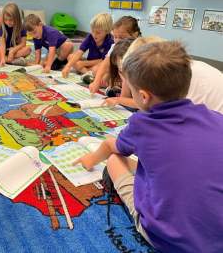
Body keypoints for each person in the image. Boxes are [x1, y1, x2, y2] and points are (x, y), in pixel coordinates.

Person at [74, 41, 223, 252]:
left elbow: (109, 145)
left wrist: (90, 160)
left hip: (167, 236)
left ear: (143, 96)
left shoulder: (142, 124)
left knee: (115, 159)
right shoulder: (217, 119)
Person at [88, 16, 141, 92]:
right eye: (115, 37)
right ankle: (115, 85)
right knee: (97, 71)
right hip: (120, 74)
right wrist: (96, 82)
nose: (118, 41)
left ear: (135, 35)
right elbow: (105, 64)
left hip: (133, 77)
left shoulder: (137, 47)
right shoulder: (114, 46)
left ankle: (118, 86)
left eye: (122, 38)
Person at [62, 13, 113, 78]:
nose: (94, 34)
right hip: (89, 62)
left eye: (98, 33)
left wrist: (83, 63)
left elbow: (103, 61)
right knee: (70, 57)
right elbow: (79, 52)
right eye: (92, 31)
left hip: (98, 64)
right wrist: (67, 66)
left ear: (107, 31)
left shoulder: (110, 42)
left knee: (99, 69)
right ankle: (88, 73)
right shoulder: (90, 37)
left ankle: (85, 71)